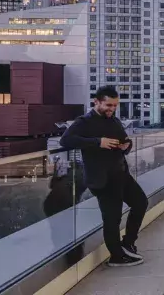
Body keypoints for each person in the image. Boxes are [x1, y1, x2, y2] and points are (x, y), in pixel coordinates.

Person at [60, 86, 147, 267]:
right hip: (102, 179)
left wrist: (126, 145)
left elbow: (125, 140)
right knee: (112, 218)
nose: (112, 109)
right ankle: (116, 256)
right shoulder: (84, 121)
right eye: (108, 105)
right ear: (96, 102)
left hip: (121, 174)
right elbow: (66, 140)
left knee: (141, 203)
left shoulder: (113, 120)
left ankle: (128, 243)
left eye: (115, 105)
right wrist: (98, 142)